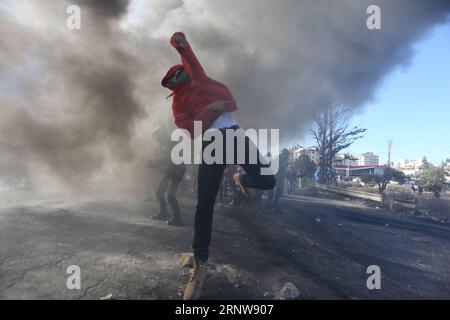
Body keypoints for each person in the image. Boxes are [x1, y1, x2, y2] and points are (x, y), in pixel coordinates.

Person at [161, 32, 276, 300]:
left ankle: (242, 179)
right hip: (211, 142)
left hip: (235, 135)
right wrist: (212, 110)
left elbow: (190, 60)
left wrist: (180, 44)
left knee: (268, 180)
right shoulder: (178, 103)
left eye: (181, 74)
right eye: (173, 80)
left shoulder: (201, 80)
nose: (180, 79)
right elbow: (190, 129)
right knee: (205, 202)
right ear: (170, 86)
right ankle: (200, 265)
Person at [148, 128, 186, 226]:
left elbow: (164, 158)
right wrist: (151, 164)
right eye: (154, 138)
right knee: (159, 191)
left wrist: (154, 163)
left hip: (177, 171)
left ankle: (177, 218)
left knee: (170, 195)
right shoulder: (162, 145)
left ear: (160, 135)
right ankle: (163, 213)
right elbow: (161, 161)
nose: (156, 140)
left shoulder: (170, 142)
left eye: (156, 137)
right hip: (169, 171)